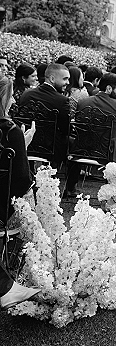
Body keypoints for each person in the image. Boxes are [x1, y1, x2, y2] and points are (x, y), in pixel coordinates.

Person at [0, 77, 40, 309]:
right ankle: (7, 288)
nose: (14, 100)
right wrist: (21, 148)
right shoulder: (8, 130)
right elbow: (22, 181)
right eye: (11, 96)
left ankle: (7, 288)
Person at [18, 63, 70, 168]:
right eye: (65, 79)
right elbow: (66, 129)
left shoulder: (26, 94)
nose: (68, 83)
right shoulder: (62, 100)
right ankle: (61, 179)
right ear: (52, 78)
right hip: (49, 150)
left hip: (25, 143)